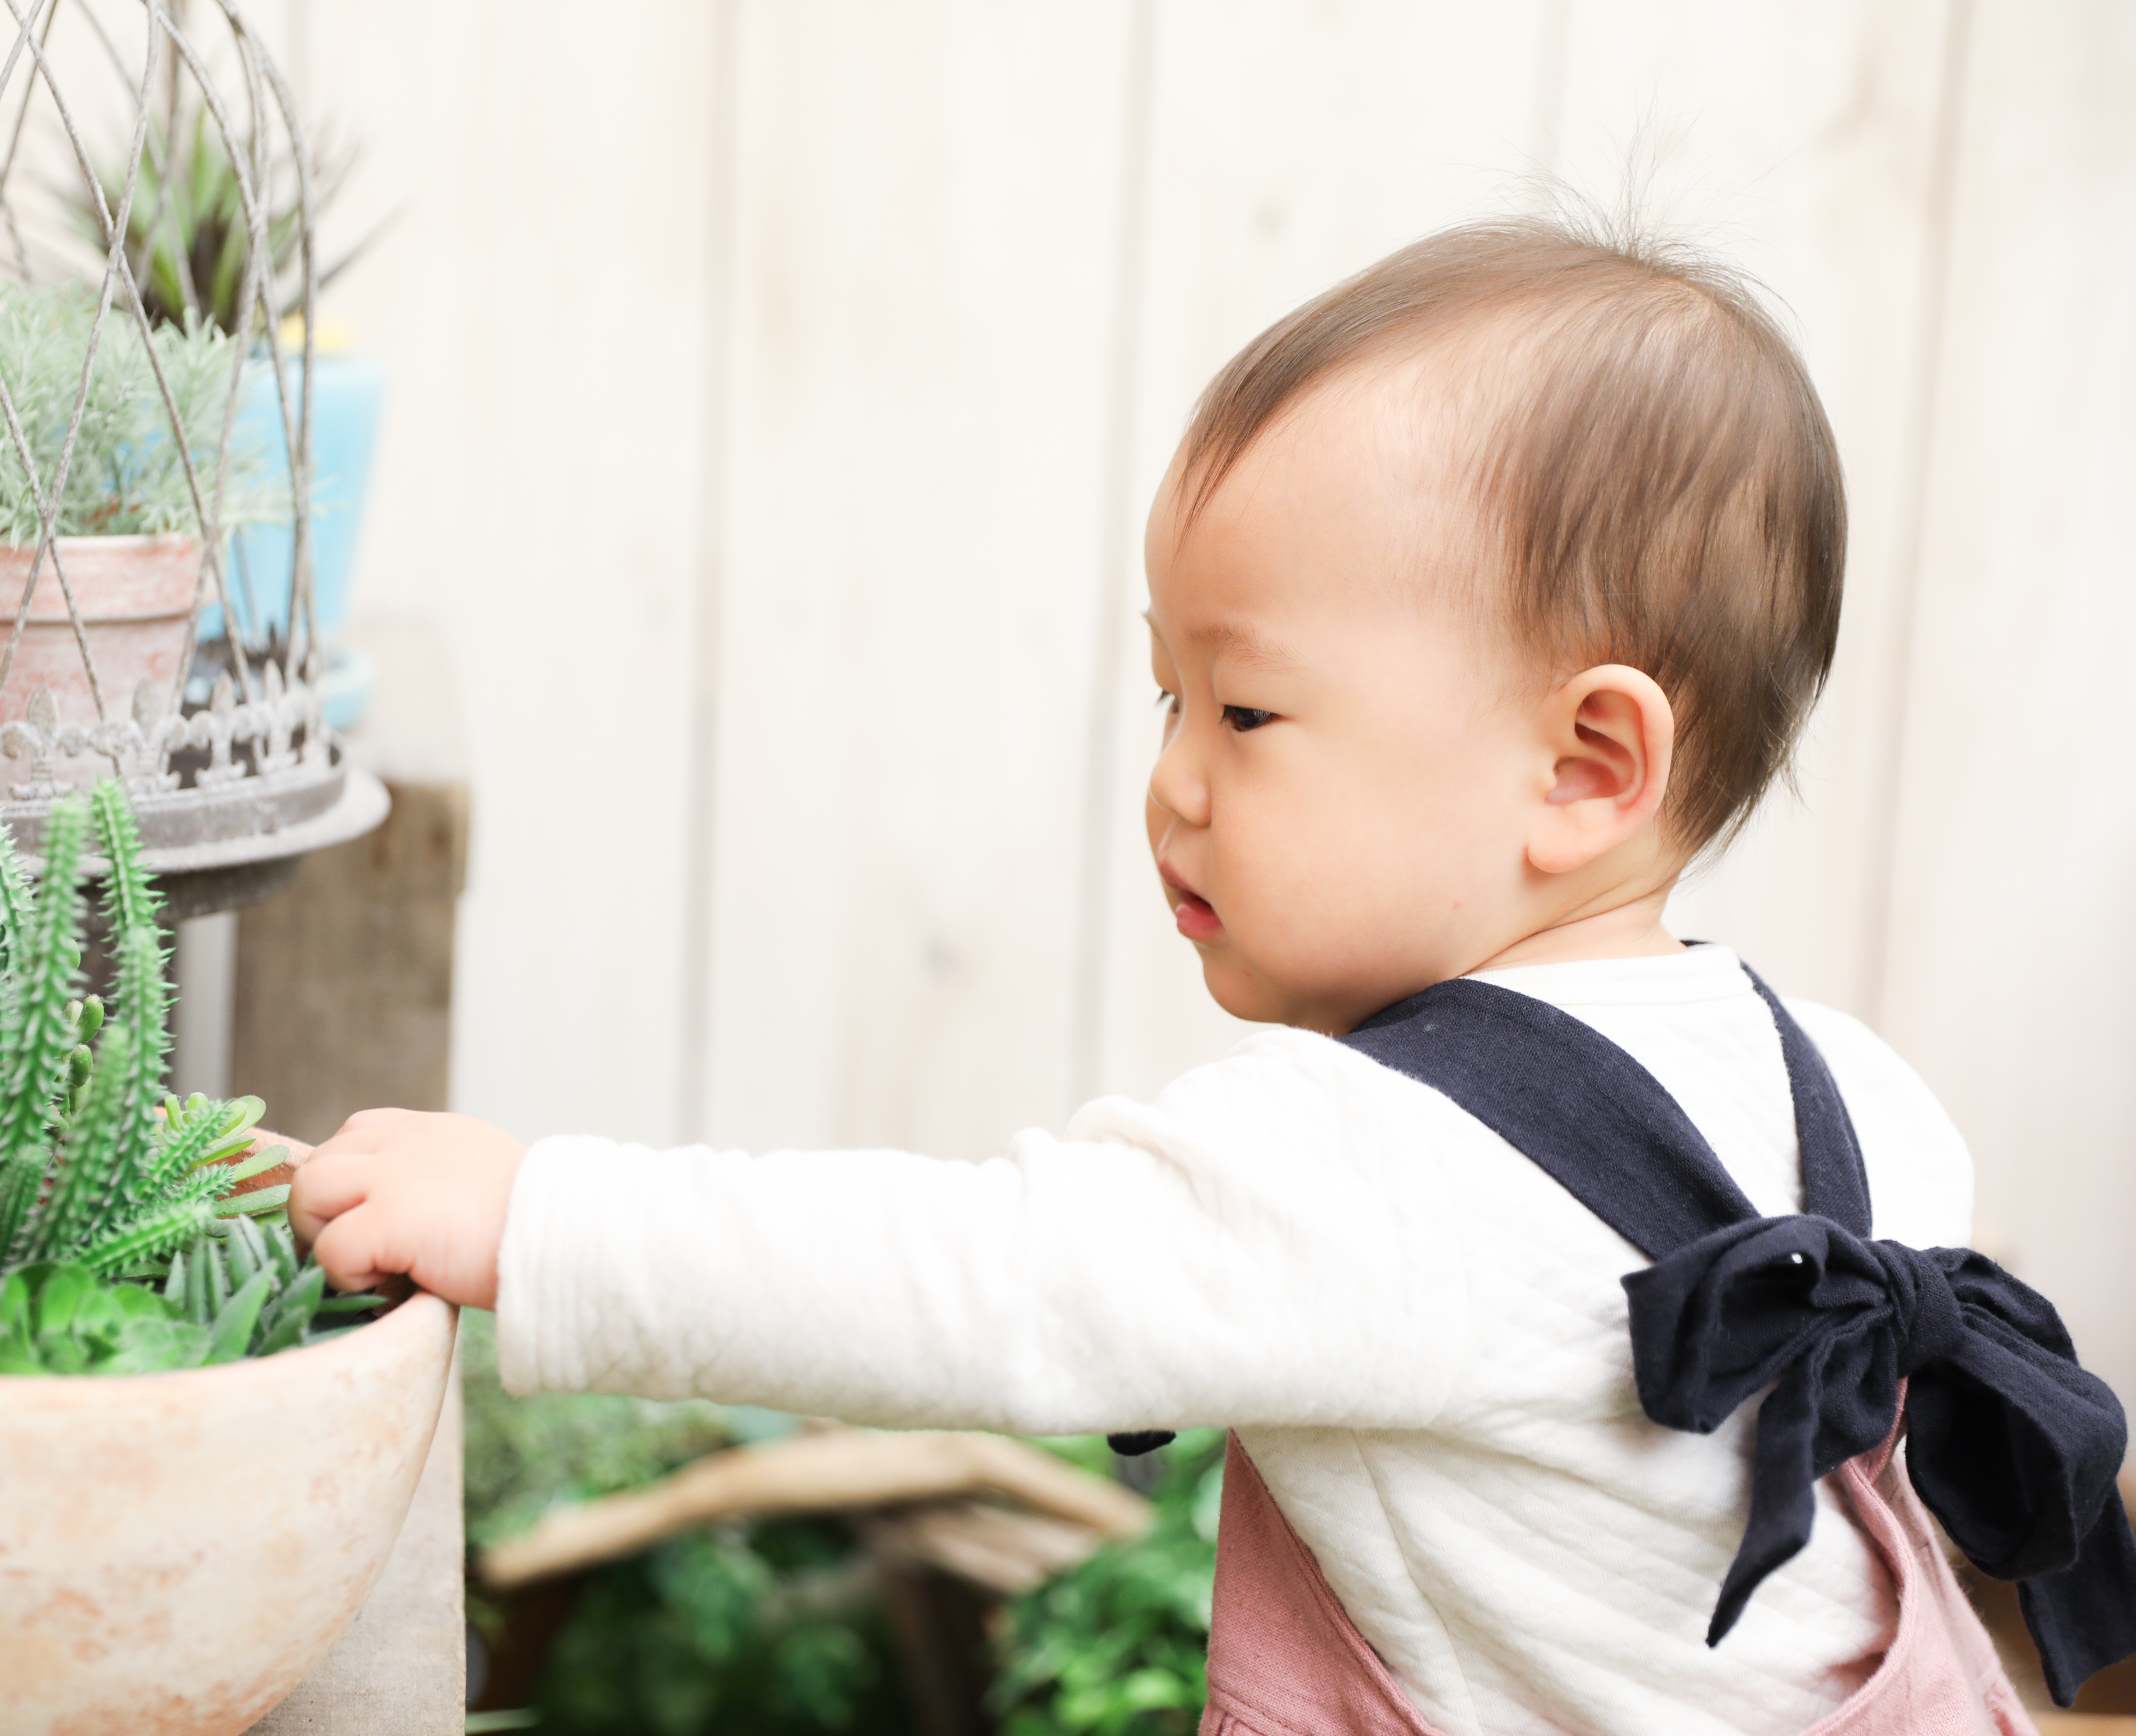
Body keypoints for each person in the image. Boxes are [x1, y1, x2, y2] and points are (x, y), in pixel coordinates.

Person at [288, 216, 2134, 1736]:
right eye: (1170, 695)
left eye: (1248, 708)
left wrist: (543, 1220)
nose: (1172, 778)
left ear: (1586, 767)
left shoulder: (1373, 1167)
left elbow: (975, 1284)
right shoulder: (1856, 1090)